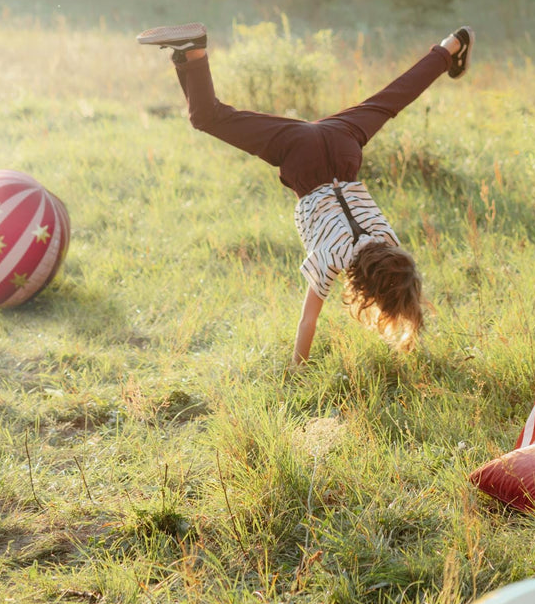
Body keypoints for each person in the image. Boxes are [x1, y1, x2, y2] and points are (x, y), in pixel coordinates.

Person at [136, 21, 474, 363]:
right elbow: (308, 320)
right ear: (368, 291)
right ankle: (193, 51)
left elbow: (399, 277)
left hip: (341, 142)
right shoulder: (330, 260)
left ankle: (451, 45)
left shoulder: (387, 239)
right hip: (301, 158)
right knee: (208, 117)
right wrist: (297, 371)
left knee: (393, 97)